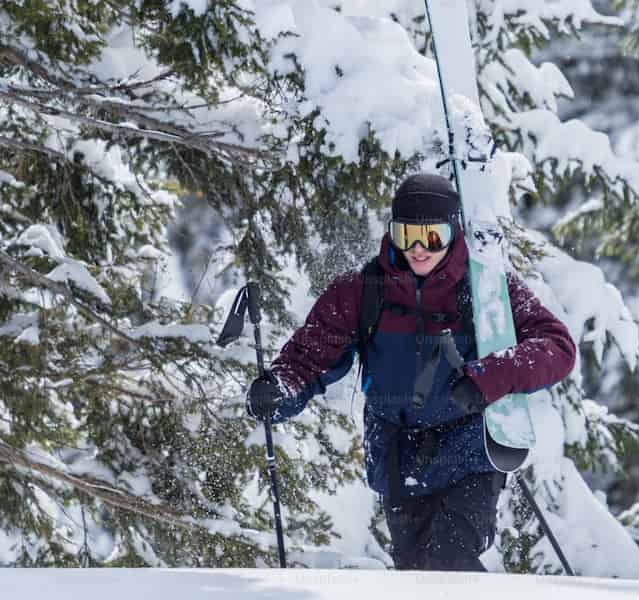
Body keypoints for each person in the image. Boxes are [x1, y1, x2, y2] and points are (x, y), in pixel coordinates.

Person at [244, 173, 576, 571]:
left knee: (450, 560)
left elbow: (557, 346)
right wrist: (280, 387)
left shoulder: (486, 289)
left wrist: (487, 378)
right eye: (406, 236)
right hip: (398, 456)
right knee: (415, 574)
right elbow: (311, 356)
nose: (418, 249)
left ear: (453, 232)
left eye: (432, 237)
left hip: (469, 451)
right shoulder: (362, 290)